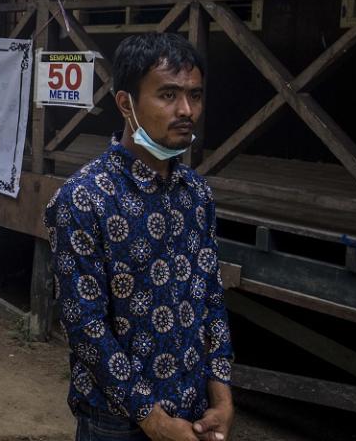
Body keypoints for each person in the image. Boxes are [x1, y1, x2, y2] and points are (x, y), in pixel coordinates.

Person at [44, 33, 234, 441]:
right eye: (168, 95)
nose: (186, 110)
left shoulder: (197, 193)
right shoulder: (85, 197)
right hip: (116, 423)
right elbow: (85, 324)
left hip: (193, 413)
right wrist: (152, 418)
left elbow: (212, 300)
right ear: (126, 104)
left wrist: (221, 397)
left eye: (195, 96)